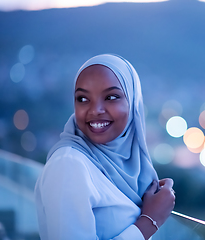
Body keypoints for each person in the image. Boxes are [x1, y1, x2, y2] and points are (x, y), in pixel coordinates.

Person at [34, 54, 175, 240]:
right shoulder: (69, 164)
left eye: (111, 97)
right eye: (83, 99)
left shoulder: (133, 170)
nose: (95, 110)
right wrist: (149, 221)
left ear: (133, 104)